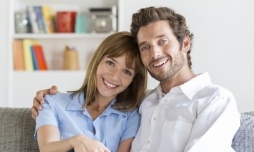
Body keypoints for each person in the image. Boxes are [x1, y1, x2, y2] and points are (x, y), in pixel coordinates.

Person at [32, 6, 240, 152]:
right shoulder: (144, 103)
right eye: (145, 47)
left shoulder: (215, 99)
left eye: (162, 41)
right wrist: (44, 98)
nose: (155, 53)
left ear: (185, 43)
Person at [33, 31, 148, 152]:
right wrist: (76, 141)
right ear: (98, 60)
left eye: (126, 72)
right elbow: (46, 148)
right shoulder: (51, 102)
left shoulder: (132, 116)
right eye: (110, 63)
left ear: (133, 80)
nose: (114, 76)